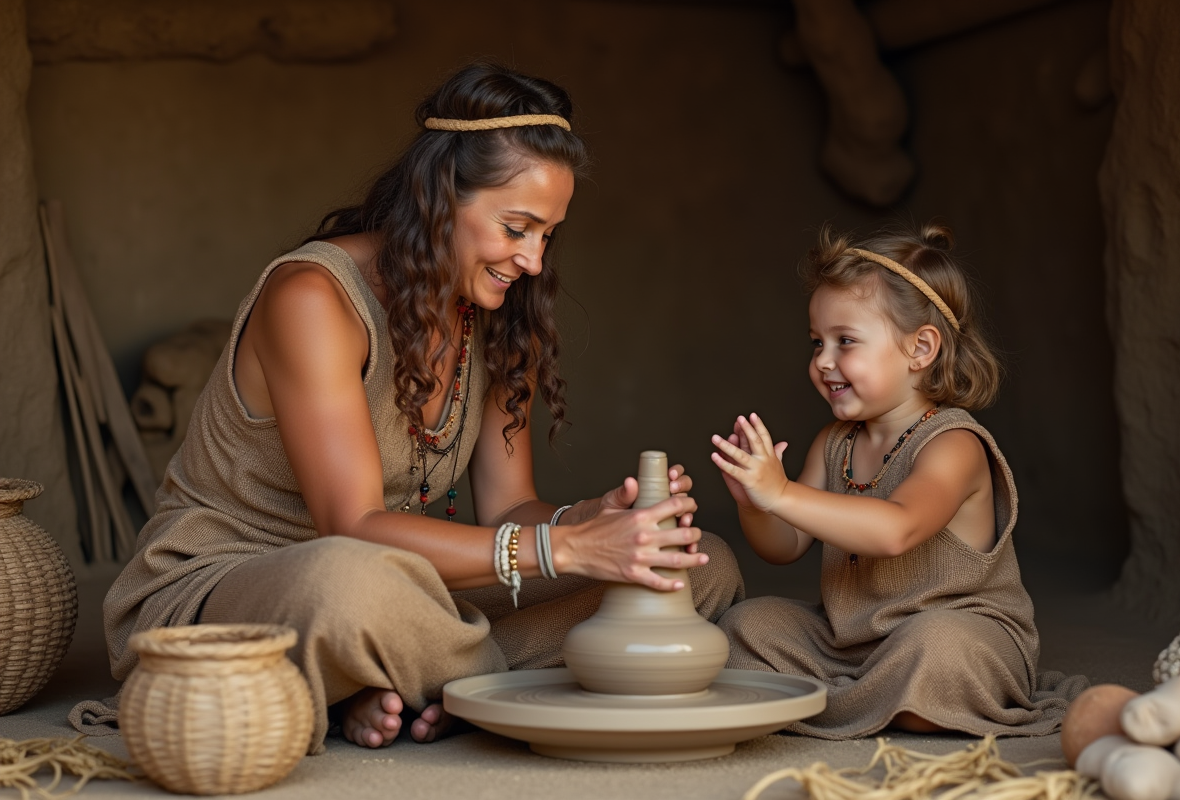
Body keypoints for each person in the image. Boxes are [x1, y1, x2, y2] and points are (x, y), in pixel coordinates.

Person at [84, 63, 743, 754]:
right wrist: (566, 548)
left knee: (701, 567)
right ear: (437, 199)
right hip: (237, 587)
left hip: (401, 588)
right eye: (517, 227)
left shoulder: (489, 316)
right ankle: (469, 684)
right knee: (351, 587)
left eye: (547, 235)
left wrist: (595, 524)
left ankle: (410, 675)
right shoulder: (313, 299)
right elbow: (354, 528)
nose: (534, 261)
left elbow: (511, 511)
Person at [710, 221, 1085, 739]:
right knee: (743, 627)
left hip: (958, 633)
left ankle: (848, 698)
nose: (823, 361)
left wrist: (783, 493)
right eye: (817, 341)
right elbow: (786, 545)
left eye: (846, 341)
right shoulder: (834, 442)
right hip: (851, 640)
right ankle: (875, 697)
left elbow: (895, 530)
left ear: (921, 348)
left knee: (935, 648)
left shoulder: (954, 444)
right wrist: (758, 506)